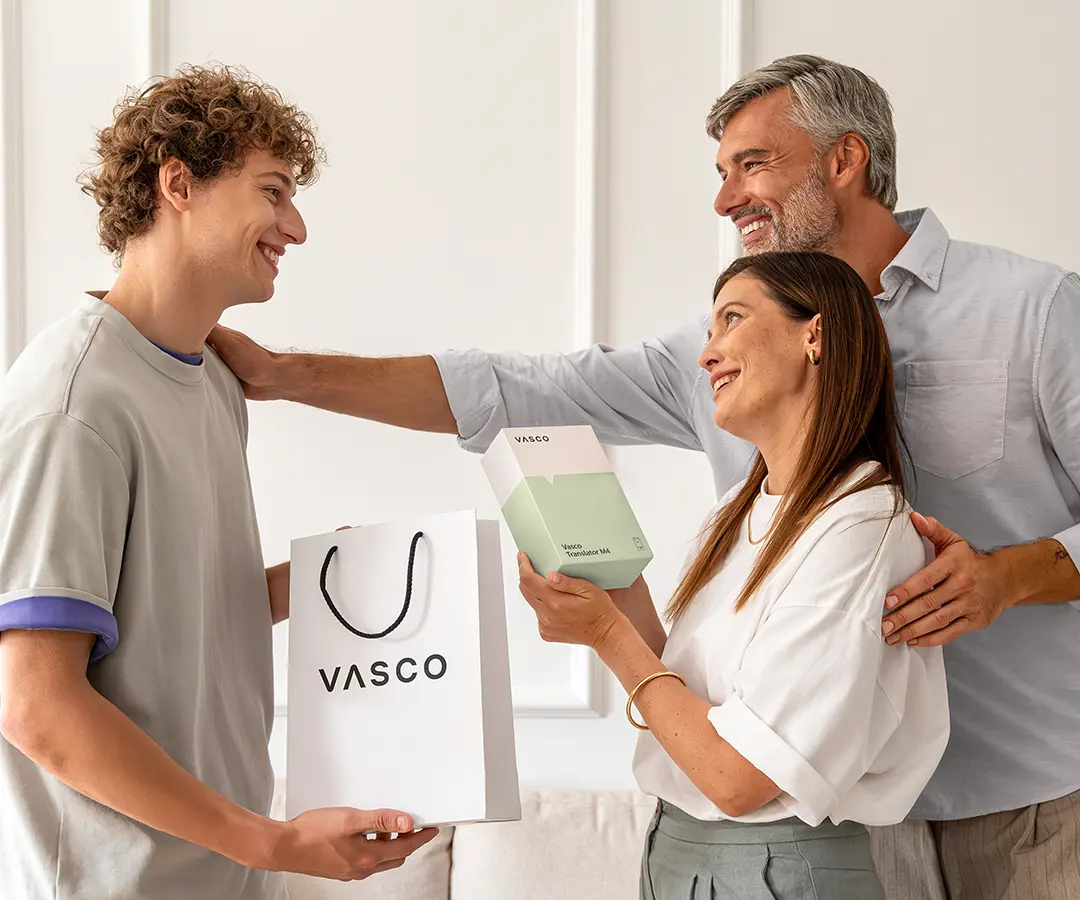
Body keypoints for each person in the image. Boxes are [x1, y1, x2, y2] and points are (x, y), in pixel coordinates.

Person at [206, 55, 1080, 899]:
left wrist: (1010, 576)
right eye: (721, 169)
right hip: (835, 826)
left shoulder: (1032, 311)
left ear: (844, 159)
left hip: (1029, 793)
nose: (725, 196)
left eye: (753, 164)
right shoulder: (725, 360)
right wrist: (289, 375)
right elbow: (524, 388)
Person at [0, 65, 435, 900]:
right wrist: (270, 841)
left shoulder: (210, 383)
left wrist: (316, 581)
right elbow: (36, 705)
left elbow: (176, 613)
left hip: (219, 880)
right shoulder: (73, 400)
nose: (296, 227)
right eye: (273, 192)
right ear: (178, 185)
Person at [519, 250, 949, 899]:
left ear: (816, 335)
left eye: (732, 320)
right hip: (678, 852)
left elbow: (739, 777)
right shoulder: (739, 510)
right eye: (709, 332)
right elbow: (687, 696)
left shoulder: (862, 530)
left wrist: (608, 636)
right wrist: (611, 587)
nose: (707, 354)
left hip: (773, 868)